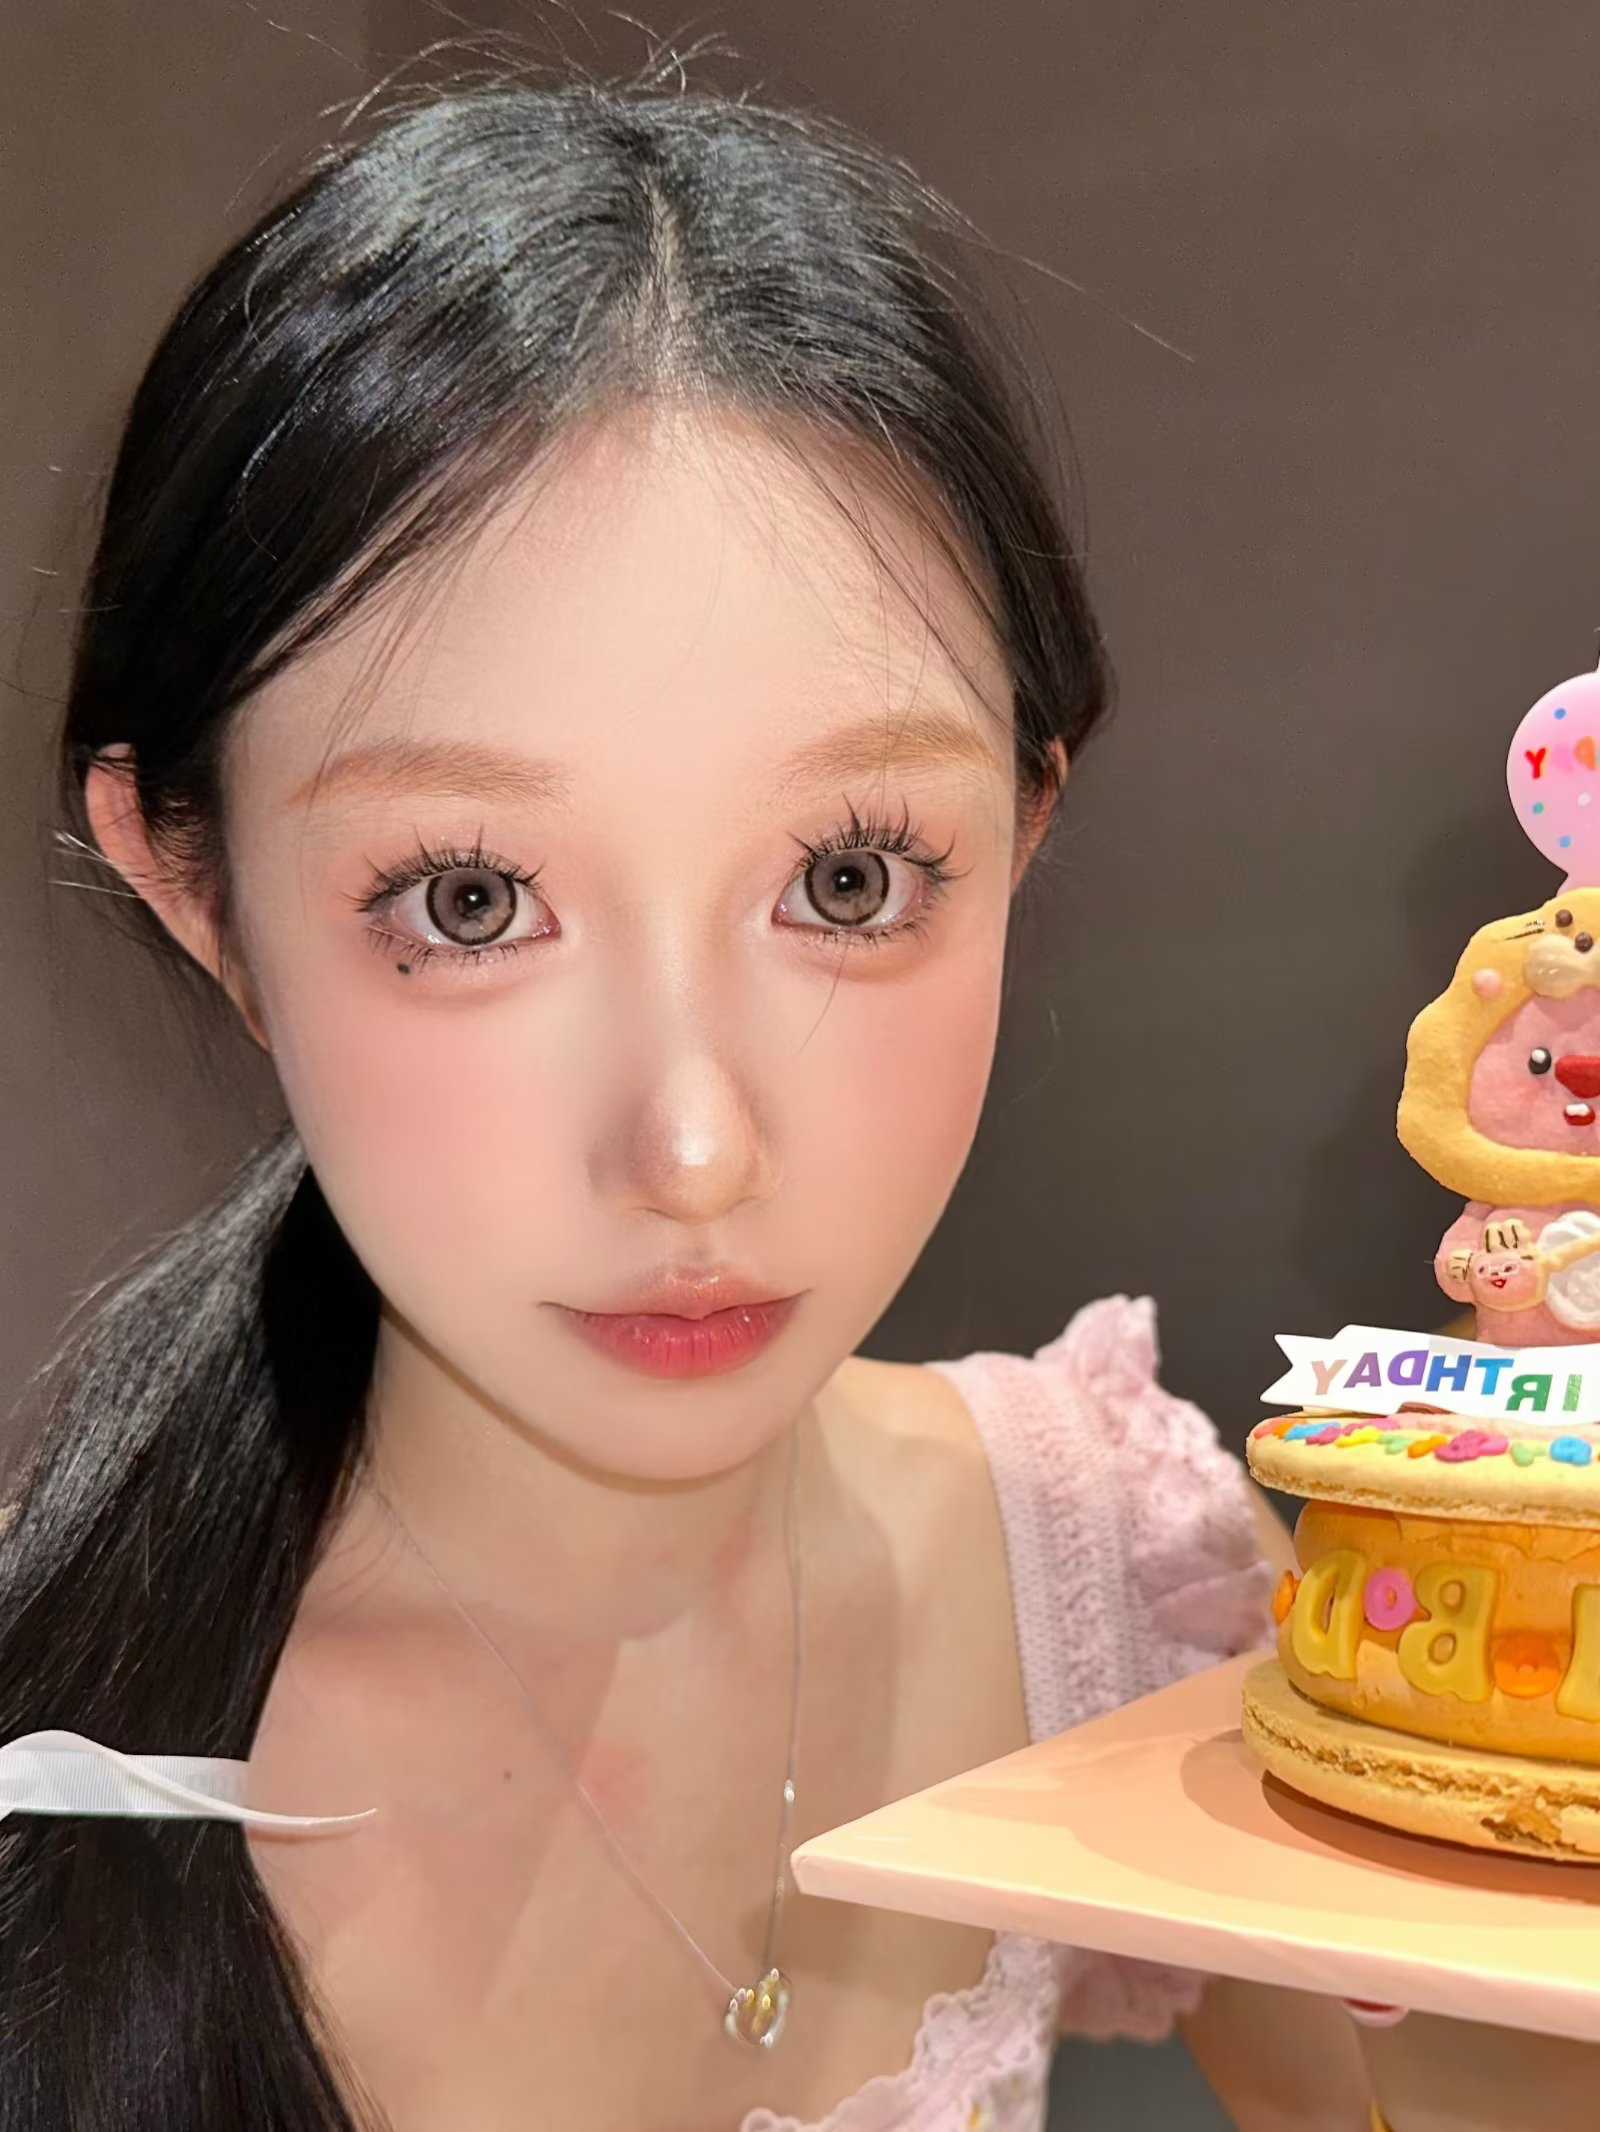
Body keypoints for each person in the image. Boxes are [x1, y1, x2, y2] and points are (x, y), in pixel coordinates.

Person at [2, 62, 1376, 2131]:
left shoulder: (1110, 1579)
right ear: (197, 890)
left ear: (1021, 826)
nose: (696, 1148)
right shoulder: (63, 1767)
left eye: (850, 880)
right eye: (469, 899)